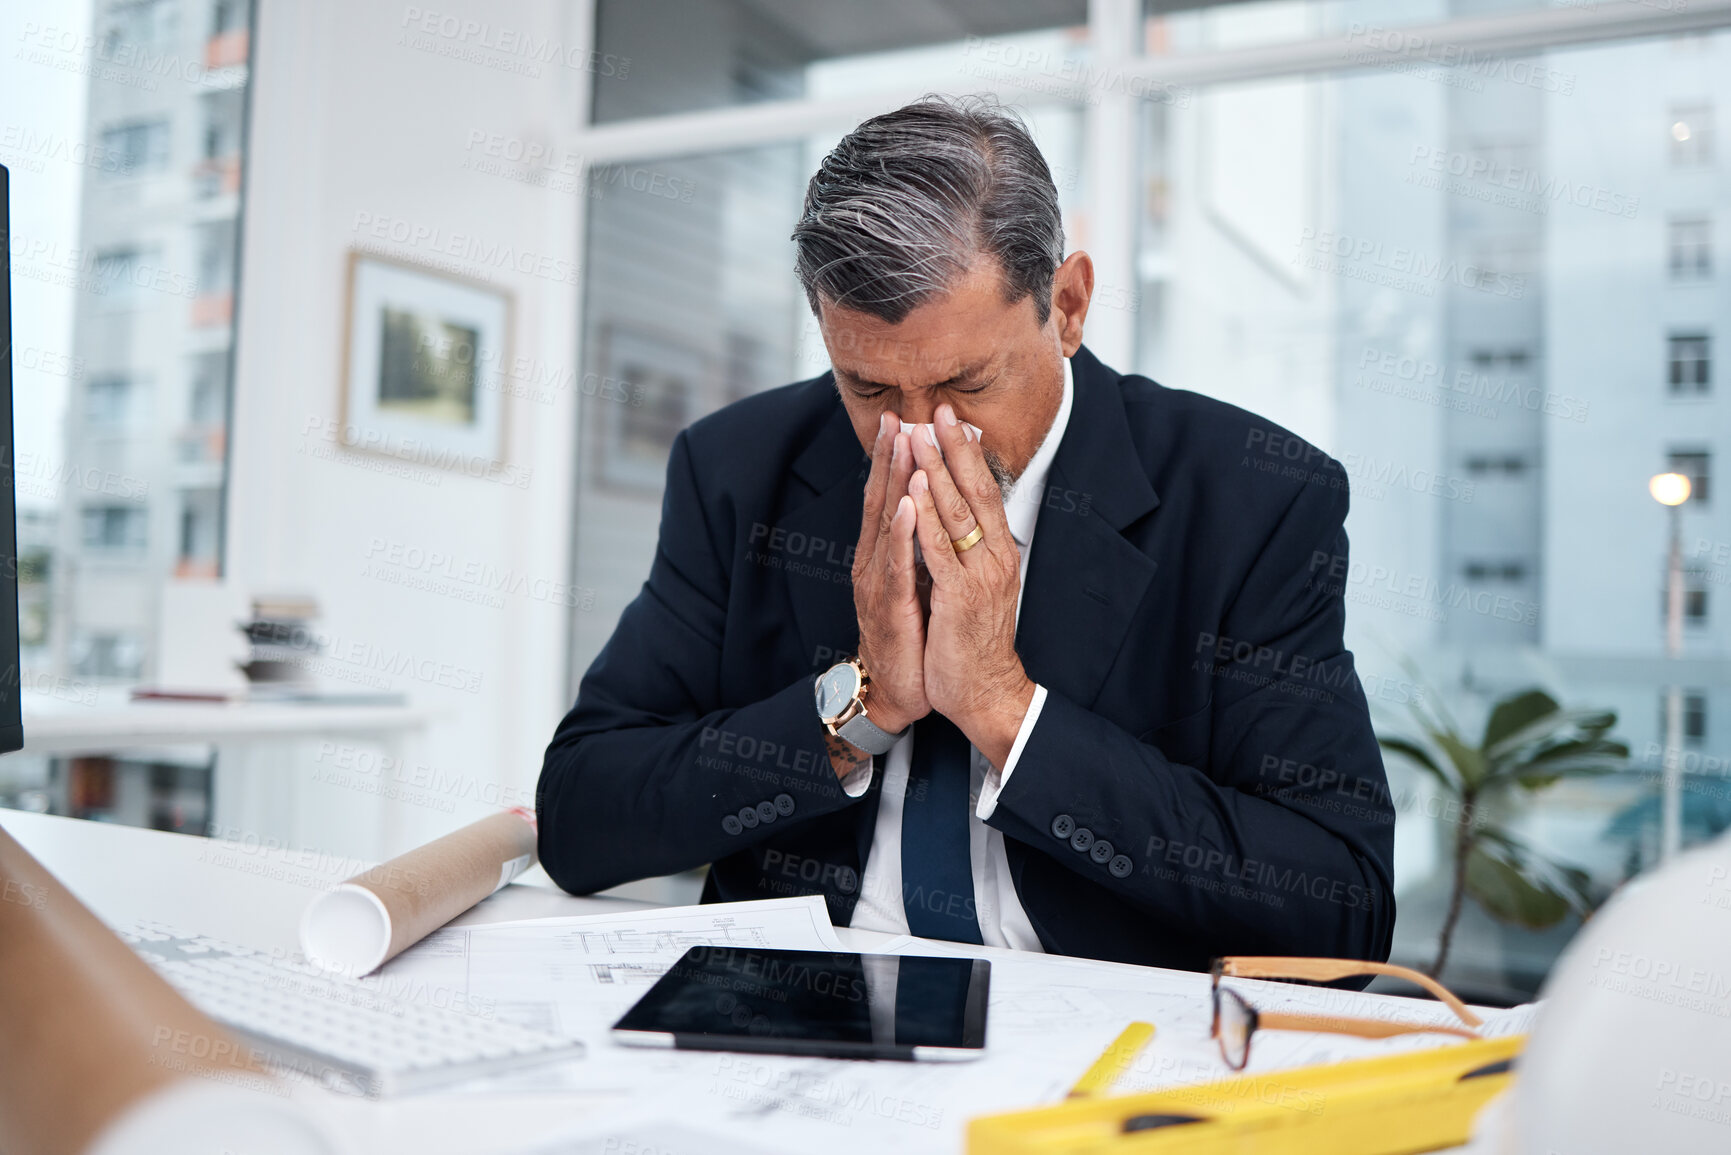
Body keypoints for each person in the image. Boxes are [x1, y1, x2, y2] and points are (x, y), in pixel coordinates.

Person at [537, 96, 1395, 972]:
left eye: (967, 382)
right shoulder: (735, 467)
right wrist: (857, 707)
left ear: (1066, 304)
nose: (915, 439)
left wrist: (1004, 710)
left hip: (1097, 1030)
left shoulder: (1254, 496)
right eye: (868, 388)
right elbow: (578, 819)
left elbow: (1342, 910)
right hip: (797, 1004)